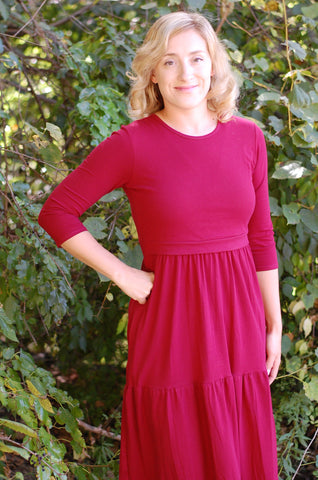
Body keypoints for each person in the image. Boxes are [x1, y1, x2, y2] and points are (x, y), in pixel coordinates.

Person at [38, 11, 282, 480]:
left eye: (196, 58)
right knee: (178, 448)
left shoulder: (248, 136)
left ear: (213, 64)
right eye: (169, 62)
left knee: (237, 443)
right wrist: (123, 273)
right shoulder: (133, 144)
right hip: (171, 318)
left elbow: (261, 236)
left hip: (238, 317)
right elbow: (56, 211)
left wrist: (273, 323)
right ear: (153, 71)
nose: (185, 73)